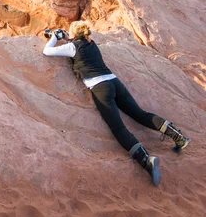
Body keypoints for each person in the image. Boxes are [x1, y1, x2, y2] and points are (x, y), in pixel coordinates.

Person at [42, 21, 191, 186]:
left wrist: (55, 37)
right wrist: (68, 38)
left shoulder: (72, 47)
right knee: (140, 114)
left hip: (100, 88)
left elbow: (47, 51)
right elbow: (79, 47)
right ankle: (179, 137)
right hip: (115, 82)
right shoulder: (91, 43)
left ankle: (146, 160)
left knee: (119, 128)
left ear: (74, 33)